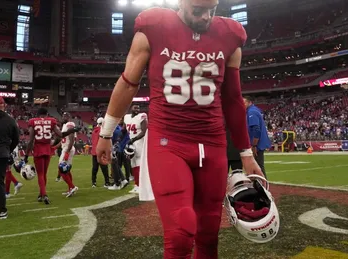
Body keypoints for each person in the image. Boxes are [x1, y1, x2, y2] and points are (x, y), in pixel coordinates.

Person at [96, 2, 263, 258]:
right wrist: (106, 133)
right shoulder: (154, 27)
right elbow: (129, 83)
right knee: (180, 230)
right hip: (169, 141)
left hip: (213, 143)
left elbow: (232, 98)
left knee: (209, 232)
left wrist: (246, 153)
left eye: (212, 9)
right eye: (198, 9)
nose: (206, 16)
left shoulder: (230, 35)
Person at [25, 108, 79, 204]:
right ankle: (41, 194)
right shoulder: (51, 121)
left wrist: (26, 155)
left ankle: (44, 194)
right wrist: (72, 130)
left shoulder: (33, 121)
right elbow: (61, 134)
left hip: (38, 149)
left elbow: (30, 140)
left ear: (38, 114)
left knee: (40, 174)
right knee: (44, 174)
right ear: (46, 114)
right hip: (47, 149)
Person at [243, 96, 271, 176]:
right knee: (256, 167)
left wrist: (254, 145)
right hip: (257, 143)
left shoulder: (252, 112)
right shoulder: (253, 110)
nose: (242, 104)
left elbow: (256, 129)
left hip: (257, 144)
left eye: (244, 102)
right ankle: (259, 185)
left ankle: (263, 186)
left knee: (258, 167)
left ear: (249, 102)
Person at [123, 104, 147, 193]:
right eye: (135, 107)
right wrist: (118, 140)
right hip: (132, 142)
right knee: (133, 165)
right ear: (130, 109)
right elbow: (124, 130)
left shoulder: (142, 116)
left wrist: (133, 139)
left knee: (139, 164)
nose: (137, 109)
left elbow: (144, 132)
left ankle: (141, 186)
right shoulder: (127, 117)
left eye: (138, 107)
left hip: (139, 142)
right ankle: (137, 185)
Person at [58, 112, 79, 197]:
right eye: (63, 115)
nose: (64, 117)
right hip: (65, 148)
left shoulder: (69, 124)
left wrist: (67, 151)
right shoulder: (64, 125)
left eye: (66, 116)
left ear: (69, 117)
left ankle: (72, 187)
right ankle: (70, 189)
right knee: (66, 170)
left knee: (61, 168)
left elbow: (71, 139)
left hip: (68, 148)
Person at [107, 121, 129, 190]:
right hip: (119, 148)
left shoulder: (114, 130)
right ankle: (123, 179)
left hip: (114, 147)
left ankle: (117, 183)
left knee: (114, 164)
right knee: (116, 164)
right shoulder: (119, 129)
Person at [91, 118, 110, 187]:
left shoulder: (94, 131)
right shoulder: (102, 130)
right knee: (104, 168)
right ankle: (107, 182)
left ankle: (94, 182)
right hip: (101, 151)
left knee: (95, 168)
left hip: (94, 151)